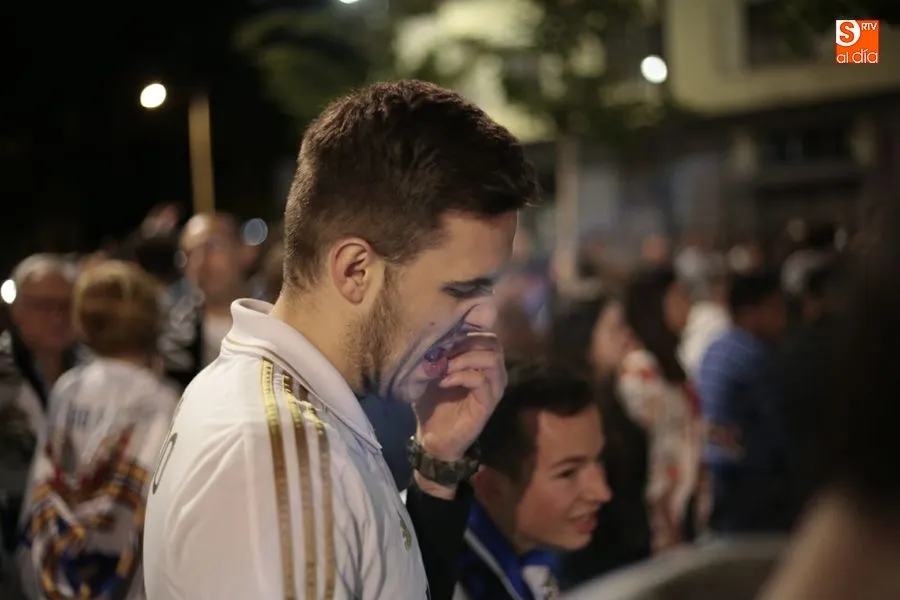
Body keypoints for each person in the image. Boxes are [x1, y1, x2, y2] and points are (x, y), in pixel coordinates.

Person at [143, 80, 538, 600]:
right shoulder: (278, 463)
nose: (484, 315)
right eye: (462, 289)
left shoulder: (289, 416)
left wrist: (437, 462)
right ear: (355, 270)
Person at [19, 260, 177, 600]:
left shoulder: (69, 387)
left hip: (56, 573)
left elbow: (43, 488)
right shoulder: (162, 401)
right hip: (128, 578)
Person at [455, 361, 611, 600]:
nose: (602, 493)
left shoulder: (535, 556)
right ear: (488, 485)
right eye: (567, 473)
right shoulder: (435, 581)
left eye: (598, 460)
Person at [548, 295, 652, 588]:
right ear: (584, 341)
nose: (627, 336)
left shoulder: (613, 397)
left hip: (630, 559)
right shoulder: (569, 414)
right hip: (596, 568)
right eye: (614, 329)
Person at [698, 271, 789, 535]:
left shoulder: (714, 348)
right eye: (775, 309)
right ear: (750, 313)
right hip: (750, 482)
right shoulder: (754, 356)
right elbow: (778, 428)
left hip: (714, 474)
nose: (782, 319)